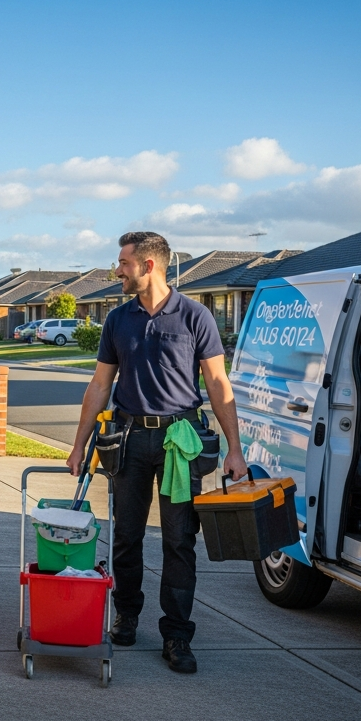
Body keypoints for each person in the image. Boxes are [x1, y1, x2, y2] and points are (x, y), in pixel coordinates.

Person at [66, 231, 249, 674]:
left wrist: (234, 450)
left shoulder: (194, 316)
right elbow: (100, 385)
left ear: (149, 266)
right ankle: (126, 615)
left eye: (123, 263)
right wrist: (78, 445)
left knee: (178, 541)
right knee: (127, 536)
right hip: (129, 439)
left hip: (180, 443)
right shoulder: (118, 320)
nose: (117, 270)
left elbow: (218, 385)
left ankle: (177, 636)